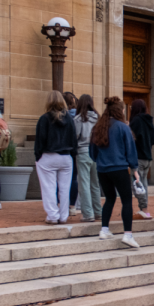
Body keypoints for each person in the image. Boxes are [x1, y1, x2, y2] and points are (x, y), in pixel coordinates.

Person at [90, 96, 141, 248]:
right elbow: (130, 150)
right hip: (119, 168)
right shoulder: (123, 127)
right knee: (126, 200)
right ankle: (128, 234)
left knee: (110, 198)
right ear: (120, 111)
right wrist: (134, 169)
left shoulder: (98, 127)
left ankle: (104, 229)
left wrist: (100, 161)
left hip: (102, 169)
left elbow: (92, 152)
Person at [33, 90, 78, 225]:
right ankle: (63, 216)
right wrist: (73, 155)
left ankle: (53, 215)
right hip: (66, 157)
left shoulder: (44, 118)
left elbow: (40, 140)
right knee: (65, 188)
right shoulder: (69, 119)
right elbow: (74, 140)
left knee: (49, 187)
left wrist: (38, 156)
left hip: (48, 156)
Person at [72, 94, 101, 222]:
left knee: (84, 184)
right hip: (96, 153)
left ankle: (88, 214)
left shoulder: (78, 119)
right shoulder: (98, 118)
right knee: (95, 184)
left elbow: (75, 137)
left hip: (83, 152)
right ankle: (98, 211)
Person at [129, 99, 154, 219]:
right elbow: (153, 140)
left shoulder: (136, 121)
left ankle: (143, 209)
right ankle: (144, 209)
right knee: (143, 183)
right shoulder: (149, 120)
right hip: (148, 157)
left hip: (138, 157)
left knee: (137, 183)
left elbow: (132, 139)